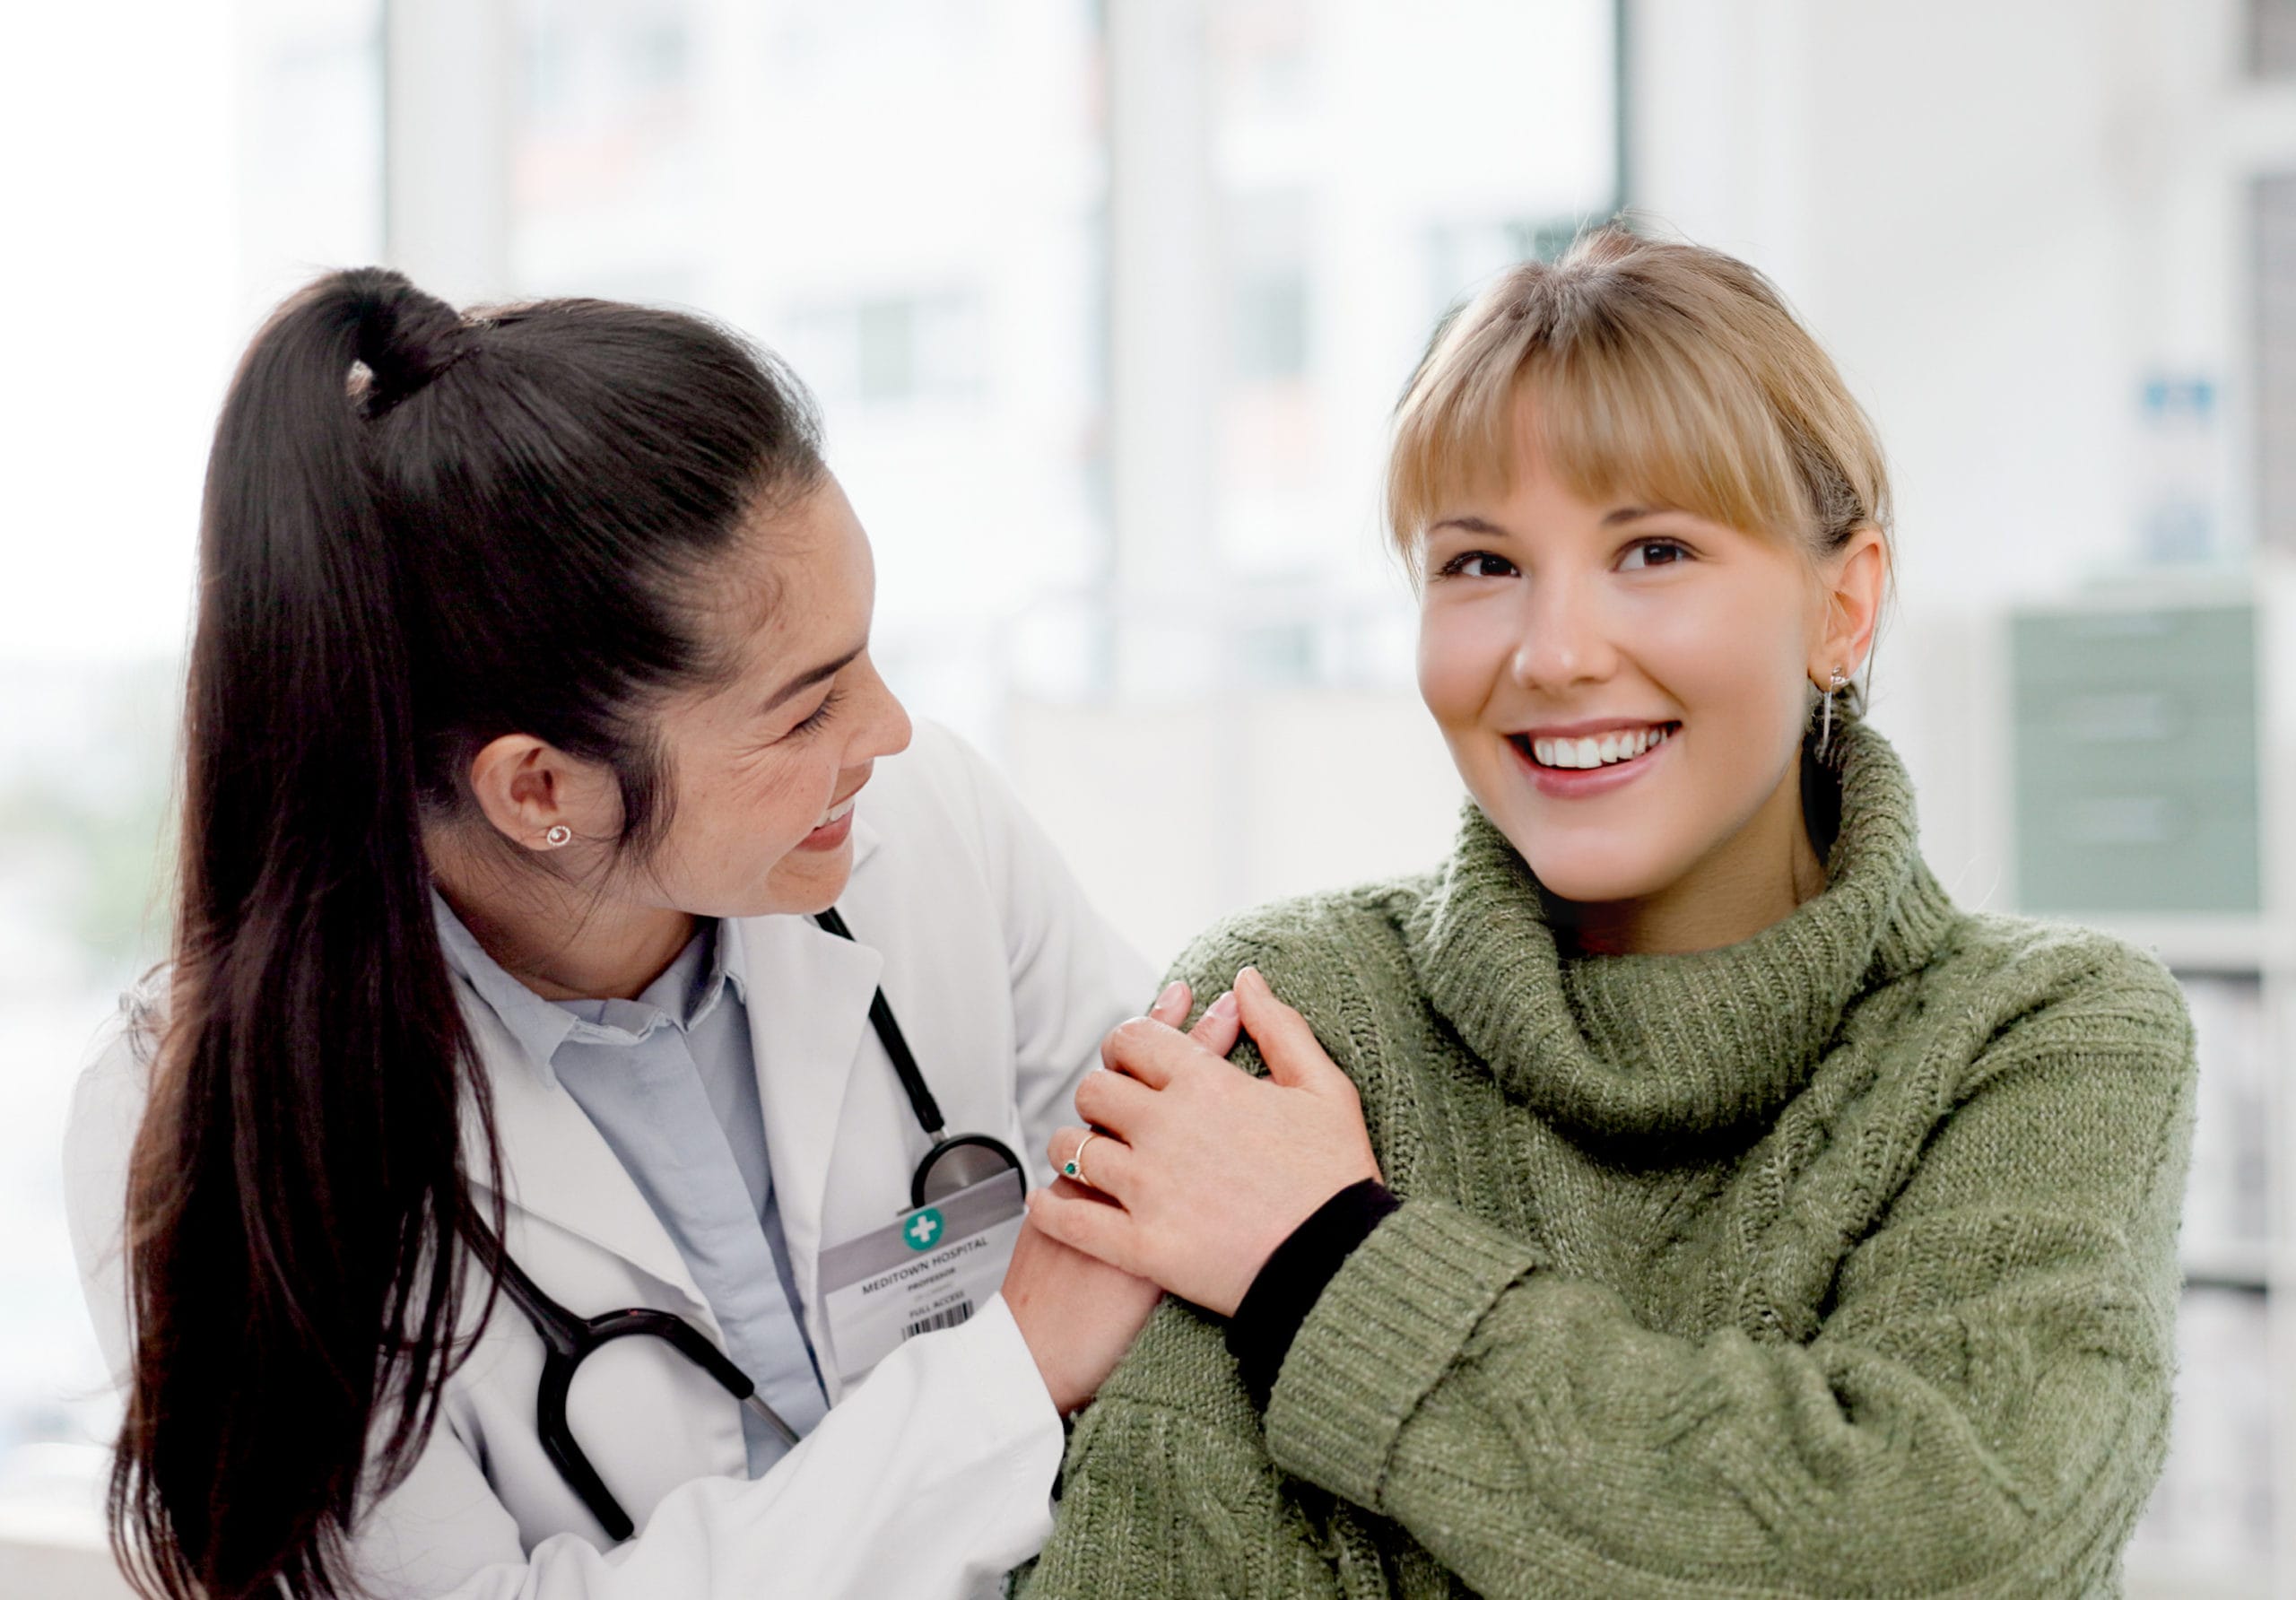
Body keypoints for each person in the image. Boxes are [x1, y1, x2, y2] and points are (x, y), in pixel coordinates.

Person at [1019, 225, 2199, 1597]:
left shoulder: (2049, 1037)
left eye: (1652, 550)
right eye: (1479, 565)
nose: (1557, 652)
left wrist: (1324, 1266)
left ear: (1845, 602)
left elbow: (1945, 1541)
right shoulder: (1292, 1012)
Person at [61, 269, 1229, 1600]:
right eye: (804, 713)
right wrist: (1007, 1382)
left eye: (866, 655)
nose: (889, 730)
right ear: (539, 789)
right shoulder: (206, 1115)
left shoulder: (930, 833)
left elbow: (1185, 1231)